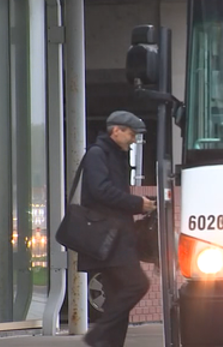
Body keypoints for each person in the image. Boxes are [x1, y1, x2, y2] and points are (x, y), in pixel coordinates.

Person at [80, 111, 157, 347]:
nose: (133, 140)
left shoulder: (113, 155)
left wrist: (143, 204)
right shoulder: (97, 154)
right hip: (108, 237)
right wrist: (137, 203)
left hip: (117, 235)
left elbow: (111, 193)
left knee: (117, 295)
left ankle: (109, 342)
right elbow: (100, 190)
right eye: (131, 134)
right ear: (117, 131)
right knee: (137, 284)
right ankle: (98, 334)